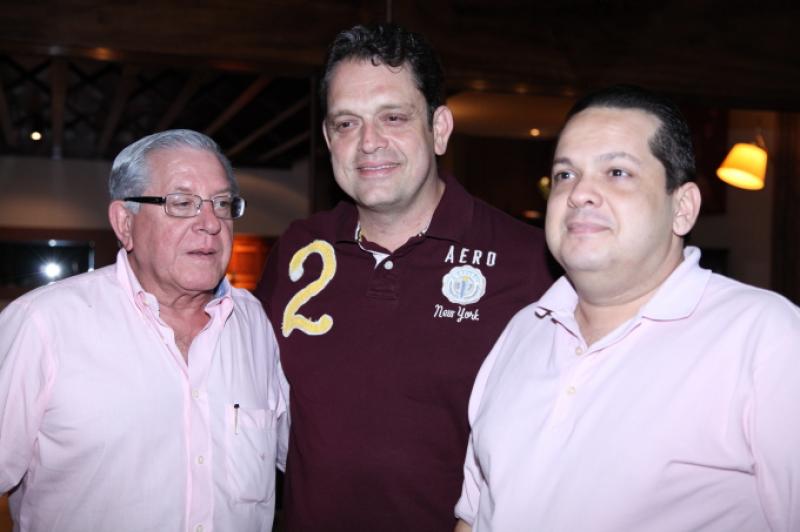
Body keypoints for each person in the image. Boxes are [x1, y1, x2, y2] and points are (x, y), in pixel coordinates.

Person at [454, 85, 800, 531]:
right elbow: (474, 513)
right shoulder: (524, 329)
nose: (579, 193)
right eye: (565, 174)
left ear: (683, 208)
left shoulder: (767, 338)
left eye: (617, 172)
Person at [255, 23, 553, 531]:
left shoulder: (531, 264)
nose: (369, 143)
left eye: (393, 117)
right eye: (346, 123)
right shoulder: (298, 250)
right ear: (328, 138)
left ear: (439, 128)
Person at [0, 129, 288, 532]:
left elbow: (306, 459)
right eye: (182, 203)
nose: (210, 223)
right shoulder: (43, 325)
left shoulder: (255, 323)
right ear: (125, 222)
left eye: (222, 204)